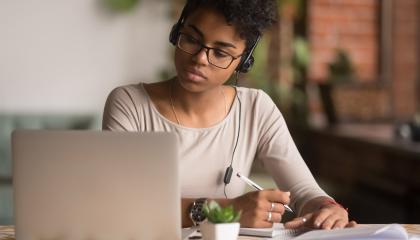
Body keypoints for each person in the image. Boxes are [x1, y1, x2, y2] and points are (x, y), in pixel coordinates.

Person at [102, 0, 356, 230]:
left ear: (243, 61)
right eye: (191, 39)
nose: (200, 58)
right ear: (175, 33)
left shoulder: (256, 108)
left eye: (221, 53)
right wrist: (224, 211)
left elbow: (304, 191)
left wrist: (327, 208)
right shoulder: (129, 103)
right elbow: (119, 205)